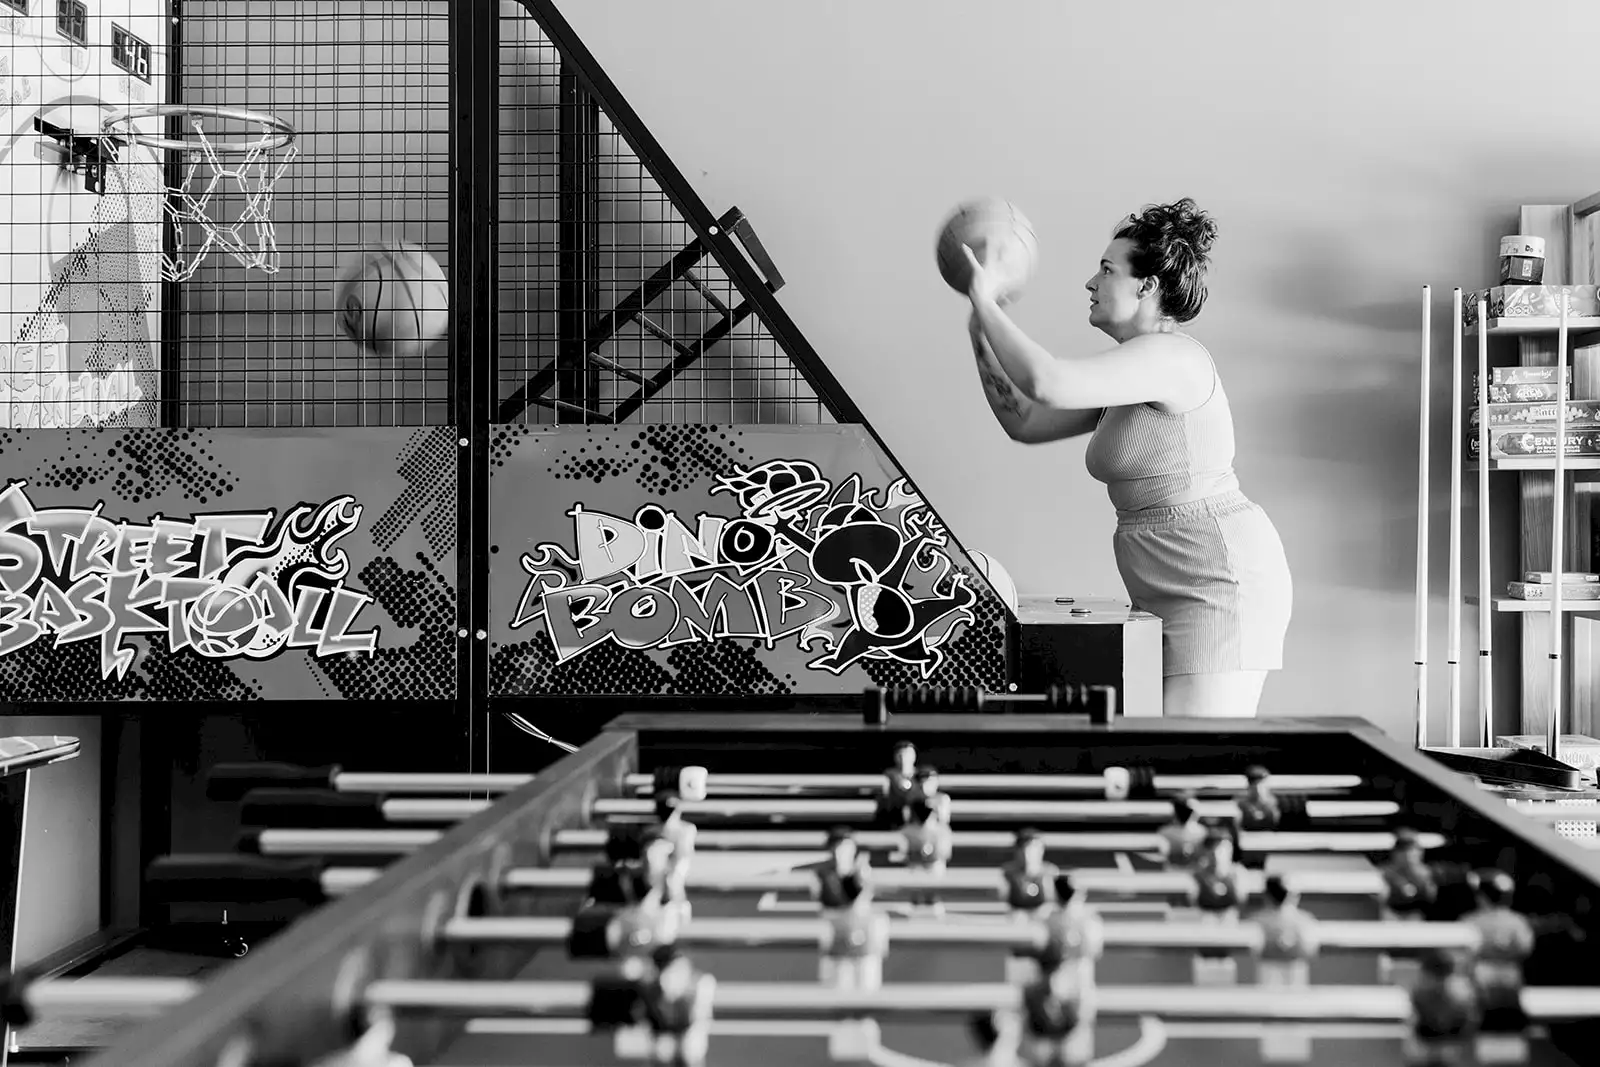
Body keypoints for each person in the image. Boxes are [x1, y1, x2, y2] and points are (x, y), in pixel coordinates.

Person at [962, 198, 1292, 717]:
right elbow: (1025, 421)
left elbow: (1047, 381)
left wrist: (986, 301)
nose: (1090, 283)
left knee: (1192, 755)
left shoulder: (1173, 357)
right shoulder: (1132, 373)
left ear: (1147, 286)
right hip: (1165, 580)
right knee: (1161, 748)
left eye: (1106, 270)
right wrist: (981, 330)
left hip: (1216, 581)